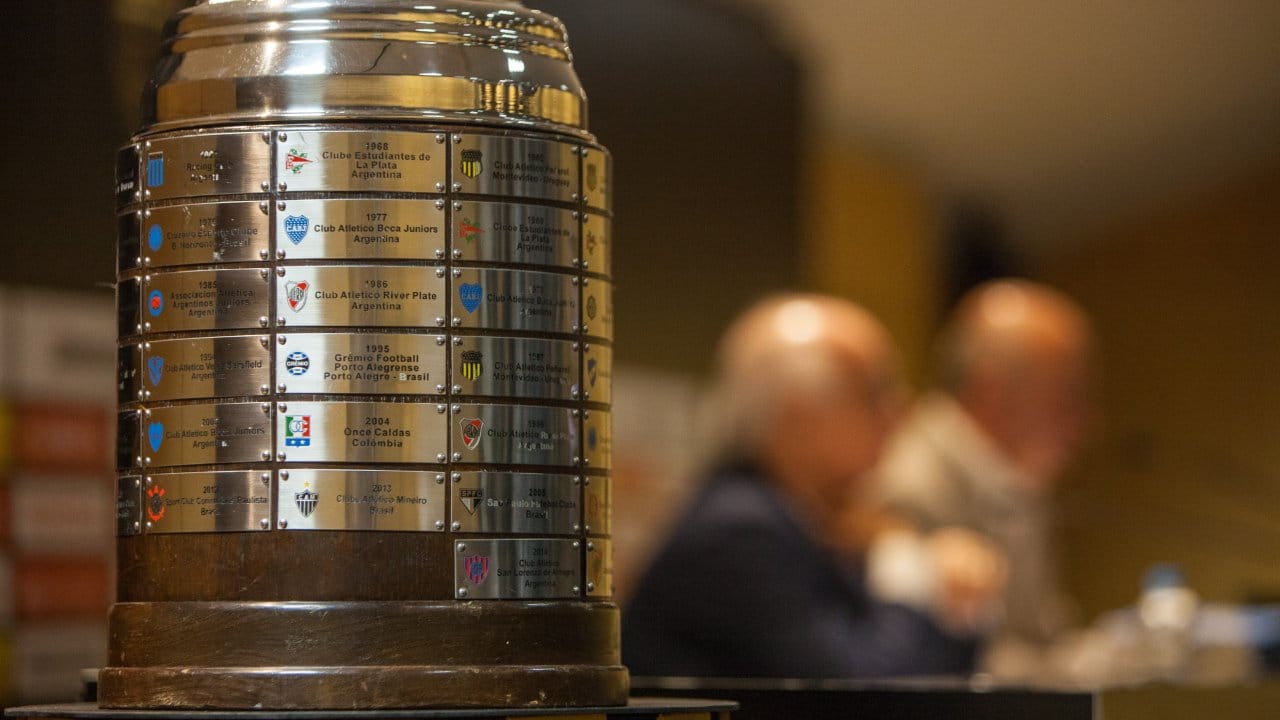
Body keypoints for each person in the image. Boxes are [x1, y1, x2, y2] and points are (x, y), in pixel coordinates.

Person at [621, 293, 1002, 678]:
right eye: (875, 392)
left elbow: (936, 680)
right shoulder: (740, 529)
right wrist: (907, 564)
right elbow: (865, 695)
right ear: (798, 412)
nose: (901, 409)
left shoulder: (813, 517)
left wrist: (963, 595)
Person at [874, 279, 1093, 677]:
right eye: (1064, 398)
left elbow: (1040, 635)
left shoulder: (1009, 475)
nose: (1082, 424)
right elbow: (942, 663)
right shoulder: (911, 480)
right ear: (992, 391)